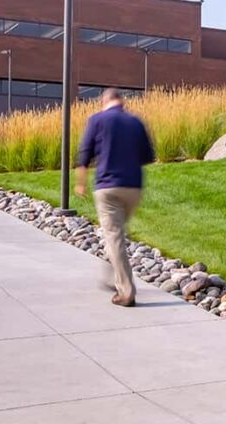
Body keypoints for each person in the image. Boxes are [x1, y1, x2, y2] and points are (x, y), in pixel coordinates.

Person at [74, 88, 155, 307]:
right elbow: (148, 156)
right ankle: (112, 277)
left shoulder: (97, 120)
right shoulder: (136, 122)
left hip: (108, 188)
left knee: (114, 236)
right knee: (116, 235)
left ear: (105, 101)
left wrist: (80, 183)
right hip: (133, 188)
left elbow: (84, 154)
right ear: (122, 101)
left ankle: (126, 292)